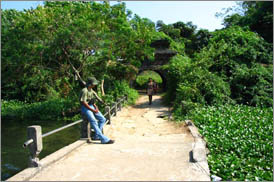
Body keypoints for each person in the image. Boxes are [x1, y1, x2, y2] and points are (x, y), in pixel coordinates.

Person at [80, 77, 115, 144]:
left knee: (103, 119)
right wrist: (92, 110)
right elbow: (84, 103)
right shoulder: (84, 91)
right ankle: (103, 139)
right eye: (94, 84)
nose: (95, 85)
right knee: (93, 121)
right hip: (85, 107)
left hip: (91, 106)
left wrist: (96, 108)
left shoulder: (91, 90)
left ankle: (96, 136)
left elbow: (92, 101)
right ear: (90, 84)